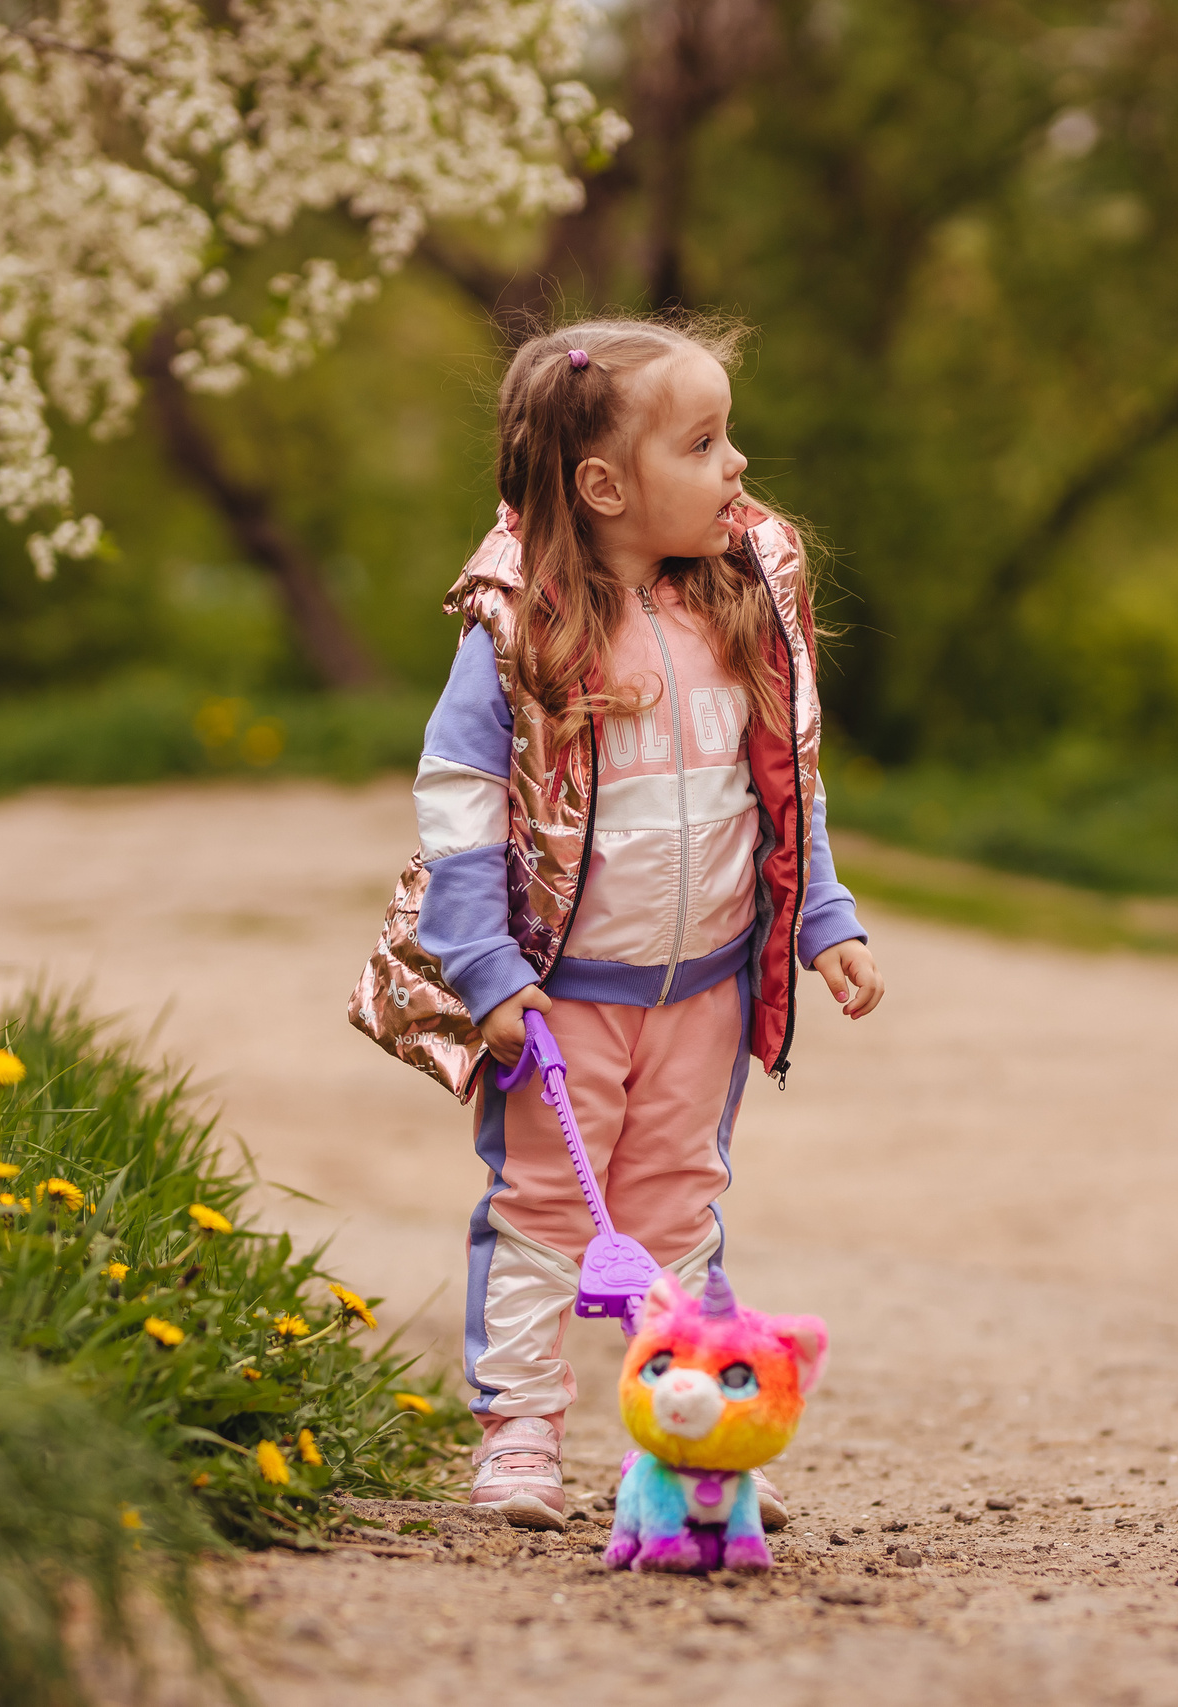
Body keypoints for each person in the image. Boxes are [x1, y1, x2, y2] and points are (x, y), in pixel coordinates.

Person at [349, 315, 886, 1531]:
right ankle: (520, 1435)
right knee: (545, 1213)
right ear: (601, 488)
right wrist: (483, 968)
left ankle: (699, 1427)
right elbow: (462, 805)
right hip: (561, 1000)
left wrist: (822, 918)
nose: (737, 464)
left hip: (701, 988)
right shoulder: (521, 629)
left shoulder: (736, 611)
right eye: (703, 443)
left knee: (679, 1211)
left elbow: (781, 784)